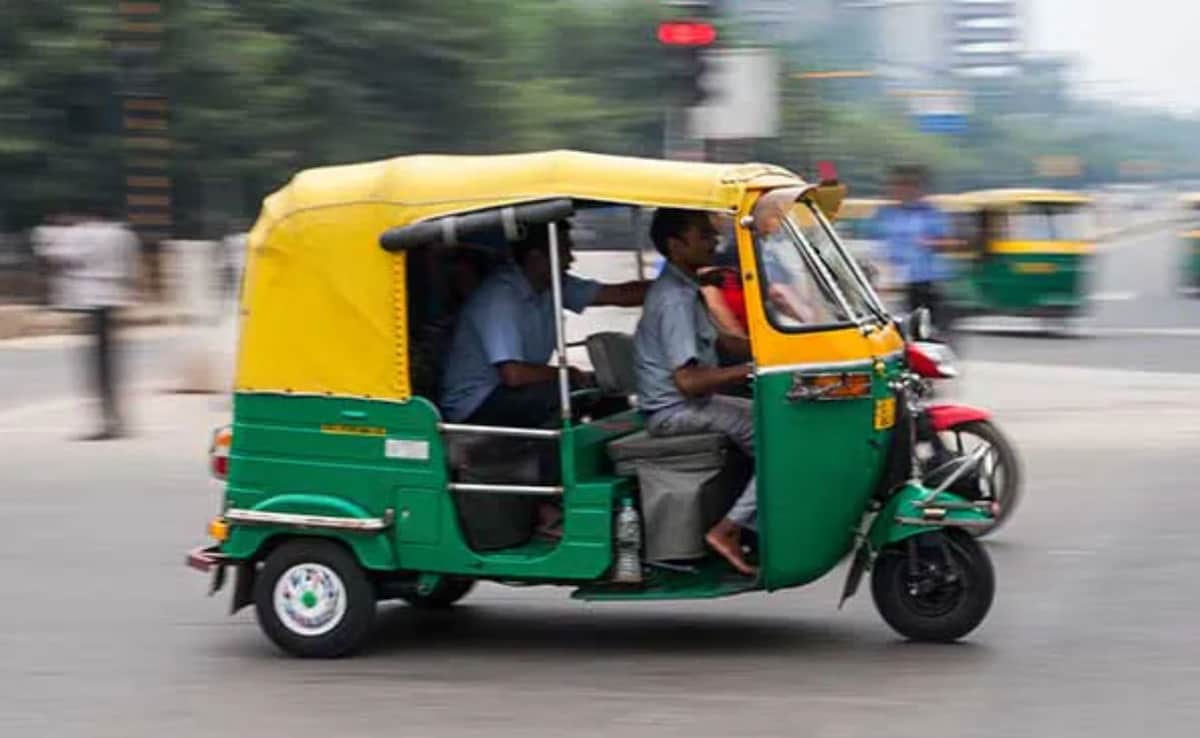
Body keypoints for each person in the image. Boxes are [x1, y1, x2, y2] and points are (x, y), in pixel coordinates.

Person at [633, 208, 758, 576]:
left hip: (694, 403)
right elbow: (687, 382)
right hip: (673, 412)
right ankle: (727, 529)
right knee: (778, 438)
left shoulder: (691, 288)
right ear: (676, 245)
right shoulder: (674, 299)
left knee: (770, 415)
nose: (714, 240)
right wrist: (750, 370)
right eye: (703, 235)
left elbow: (725, 344)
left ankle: (747, 526)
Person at [439, 221, 650, 428]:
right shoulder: (501, 297)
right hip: (477, 403)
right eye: (564, 251)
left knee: (607, 388)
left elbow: (617, 295)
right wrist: (568, 373)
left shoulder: (553, 285)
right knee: (561, 395)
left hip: (515, 390)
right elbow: (514, 374)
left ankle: (612, 454)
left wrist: (674, 282)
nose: (571, 259)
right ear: (536, 258)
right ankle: (557, 462)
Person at [33, 206, 140, 440]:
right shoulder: (124, 235)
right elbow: (131, 269)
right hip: (114, 299)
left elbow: (60, 258)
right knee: (112, 365)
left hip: (90, 300)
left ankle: (104, 423)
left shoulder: (83, 233)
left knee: (96, 367)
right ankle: (119, 419)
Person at [874, 165, 956, 334]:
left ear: (917, 188)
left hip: (926, 280)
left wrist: (930, 243)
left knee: (928, 328)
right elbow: (876, 245)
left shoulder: (930, 213)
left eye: (907, 185)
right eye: (897, 186)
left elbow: (948, 241)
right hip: (896, 282)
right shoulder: (887, 214)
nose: (900, 190)